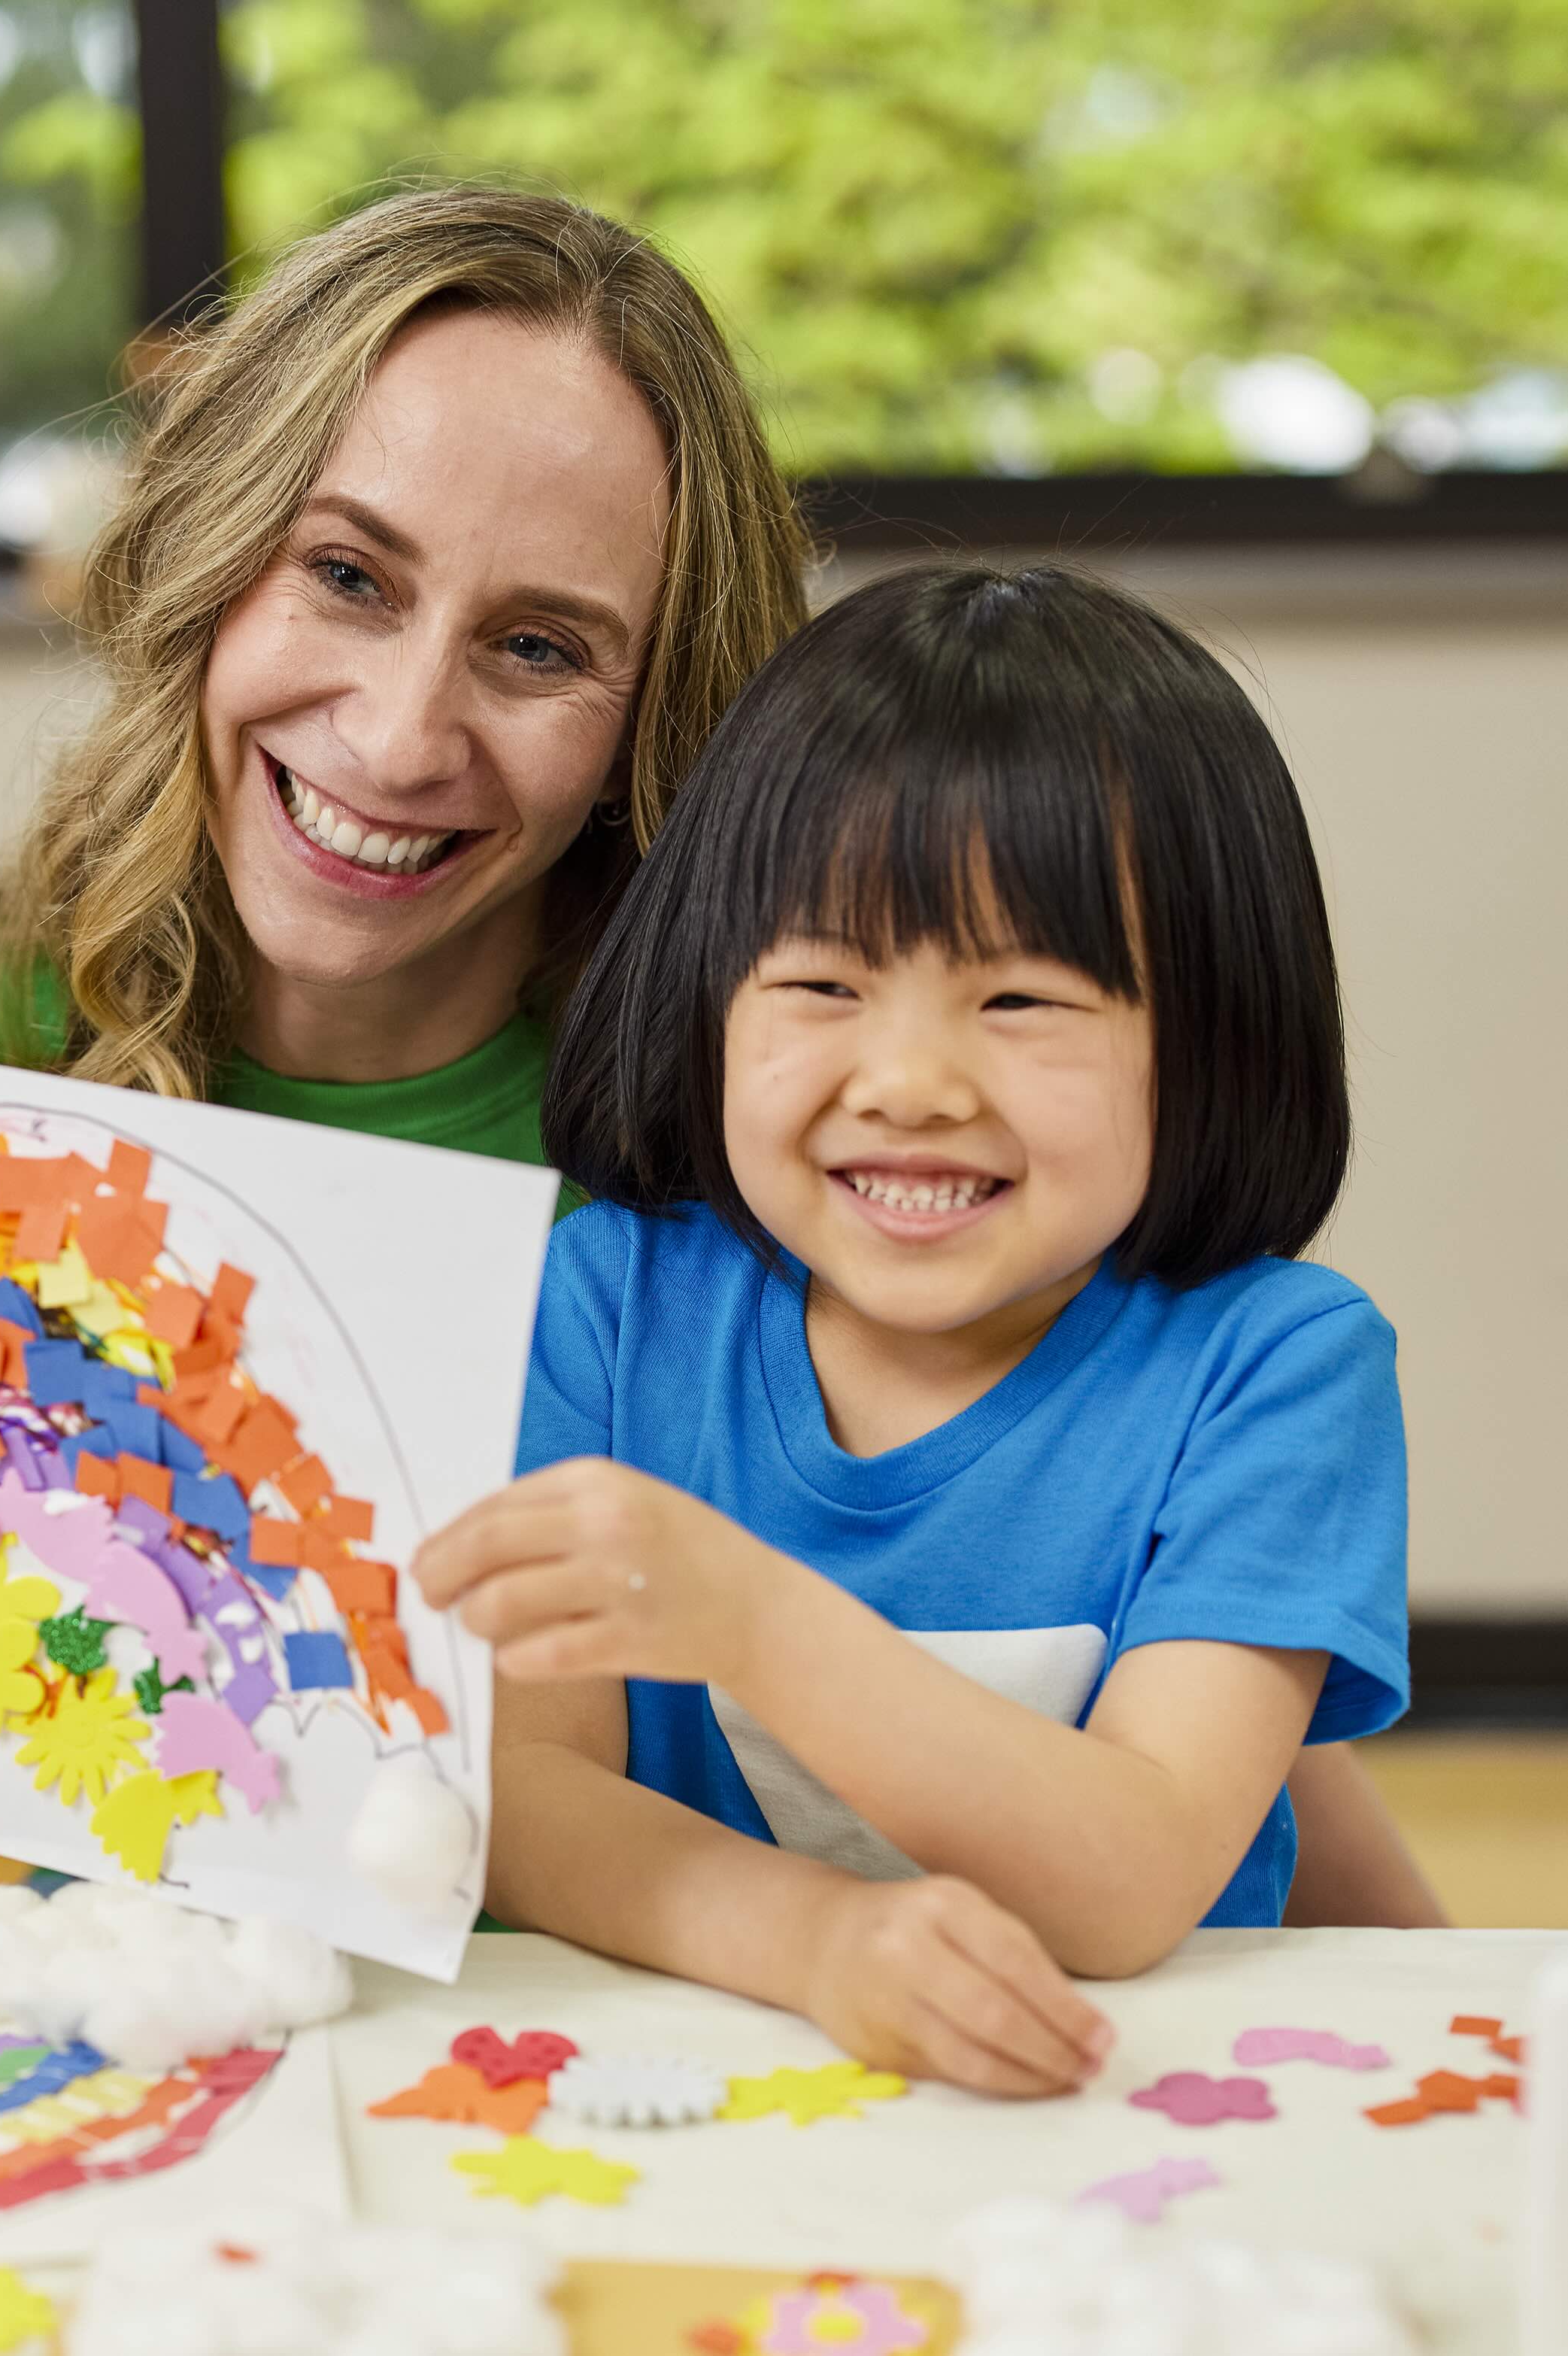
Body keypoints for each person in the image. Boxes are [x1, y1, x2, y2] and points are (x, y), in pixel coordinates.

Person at [0, 193, 1433, 1962]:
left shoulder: (746, 1125)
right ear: (208, 562)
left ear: (652, 716)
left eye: (539, 647)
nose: (397, 728)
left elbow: (1125, 1654)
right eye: (345, 574)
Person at [412, 562, 1421, 2096]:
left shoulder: (1274, 1369)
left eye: (1018, 1001)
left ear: (1211, 1035)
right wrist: (815, 1945)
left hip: (1138, 2119)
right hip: (691, 2090)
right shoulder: (608, 1306)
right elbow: (524, 1789)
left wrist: (750, 1622)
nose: (906, 1081)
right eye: (819, 980)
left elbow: (1135, 1869)